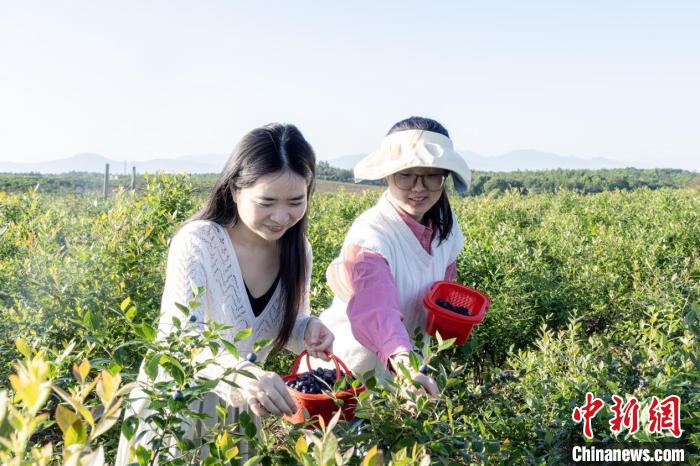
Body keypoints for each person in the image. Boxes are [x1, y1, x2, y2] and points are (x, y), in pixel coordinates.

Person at [115, 123, 334, 465]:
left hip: (240, 415)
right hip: (176, 408)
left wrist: (306, 330)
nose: (281, 217)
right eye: (266, 202)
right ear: (235, 190)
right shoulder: (198, 241)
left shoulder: (298, 249)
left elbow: (284, 326)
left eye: (295, 201)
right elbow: (181, 338)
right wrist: (243, 376)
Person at [319, 116, 470, 399]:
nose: (418, 187)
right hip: (347, 380)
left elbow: (440, 294)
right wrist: (404, 362)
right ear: (388, 174)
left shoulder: (446, 232)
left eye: (431, 176)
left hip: (405, 376)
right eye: (406, 174)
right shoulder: (371, 237)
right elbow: (378, 309)